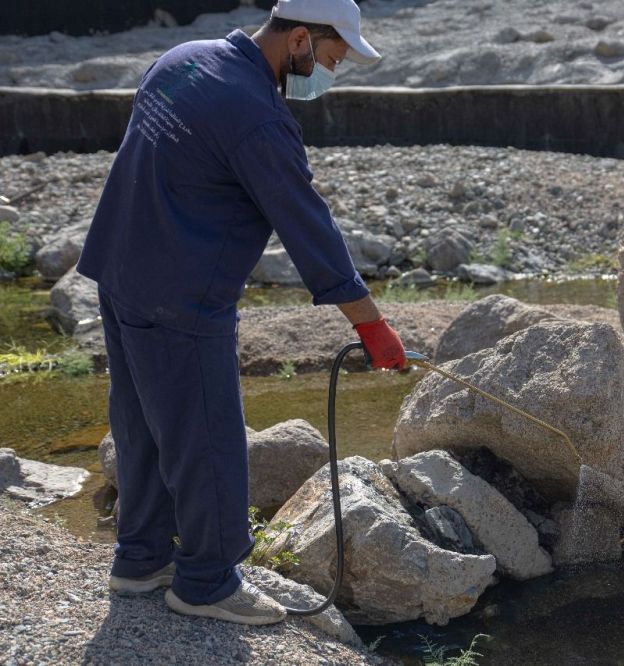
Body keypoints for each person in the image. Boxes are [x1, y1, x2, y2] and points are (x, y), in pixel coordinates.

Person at [76, 0, 405, 626]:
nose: (331, 72)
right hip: (181, 294)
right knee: (207, 438)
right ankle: (205, 582)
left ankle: (141, 559)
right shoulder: (258, 118)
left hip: (120, 271)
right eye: (333, 58)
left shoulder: (181, 61)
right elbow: (310, 229)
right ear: (301, 38)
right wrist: (371, 325)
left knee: (142, 424)